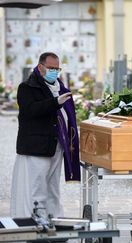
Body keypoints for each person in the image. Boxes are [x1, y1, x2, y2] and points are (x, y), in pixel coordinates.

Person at [10, 52, 81, 218]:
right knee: (36, 187)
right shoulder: (27, 87)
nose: (55, 72)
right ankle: (35, 222)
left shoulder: (60, 87)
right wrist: (55, 102)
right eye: (51, 68)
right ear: (40, 67)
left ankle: (53, 219)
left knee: (52, 188)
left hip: (56, 145)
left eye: (57, 69)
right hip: (36, 146)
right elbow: (30, 111)